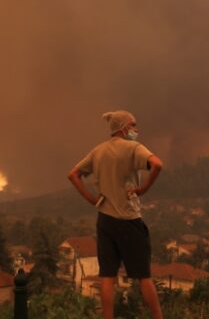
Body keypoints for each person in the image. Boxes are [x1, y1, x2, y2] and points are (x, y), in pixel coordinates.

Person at [68, 110, 163, 319]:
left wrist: (92, 199)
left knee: (108, 277)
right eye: (133, 125)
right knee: (144, 276)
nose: (136, 130)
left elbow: (73, 174)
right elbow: (157, 164)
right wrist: (144, 188)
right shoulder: (133, 148)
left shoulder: (98, 151)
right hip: (129, 221)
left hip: (105, 221)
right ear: (124, 127)